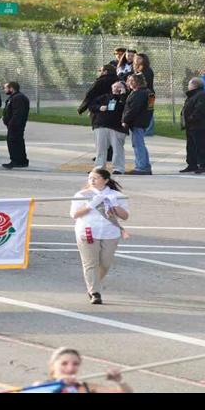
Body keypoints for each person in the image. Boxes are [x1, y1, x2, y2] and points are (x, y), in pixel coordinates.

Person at [69, 168, 131, 305]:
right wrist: (91, 205)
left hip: (110, 233)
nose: (91, 180)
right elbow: (74, 215)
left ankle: (94, 283)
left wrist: (114, 205)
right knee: (90, 263)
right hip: (88, 231)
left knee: (105, 263)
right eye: (90, 178)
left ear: (106, 180)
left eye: (95, 178)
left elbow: (125, 216)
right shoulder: (82, 195)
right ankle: (94, 292)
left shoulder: (116, 195)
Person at [24, 348, 131, 393]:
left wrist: (119, 381)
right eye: (64, 364)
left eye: (75, 364)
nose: (70, 368)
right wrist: (60, 384)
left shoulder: (85, 387)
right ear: (52, 366)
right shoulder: (42, 385)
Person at [79, 62, 121, 162]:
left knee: (100, 135)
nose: (100, 72)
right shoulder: (117, 81)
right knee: (111, 133)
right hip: (113, 109)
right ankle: (110, 154)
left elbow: (90, 95)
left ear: (105, 71)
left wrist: (82, 108)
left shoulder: (100, 81)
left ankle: (101, 154)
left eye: (101, 70)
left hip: (99, 108)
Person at [91, 79, 128, 174]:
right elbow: (92, 105)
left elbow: (124, 108)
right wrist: (99, 108)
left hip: (117, 127)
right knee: (100, 149)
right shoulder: (105, 97)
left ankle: (118, 168)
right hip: (101, 125)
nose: (116, 88)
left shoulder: (125, 98)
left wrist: (123, 95)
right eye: (114, 86)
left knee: (117, 149)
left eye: (119, 87)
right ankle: (99, 168)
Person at [123, 73, 153, 175]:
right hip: (143, 121)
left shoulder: (139, 94)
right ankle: (145, 165)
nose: (130, 83)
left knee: (138, 145)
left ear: (138, 82)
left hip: (137, 122)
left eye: (132, 81)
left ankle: (141, 167)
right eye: (129, 80)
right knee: (140, 144)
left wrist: (125, 120)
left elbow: (133, 109)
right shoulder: (148, 92)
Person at [181, 76, 205, 174]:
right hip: (191, 126)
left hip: (199, 125)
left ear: (194, 85)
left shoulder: (202, 95)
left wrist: (191, 118)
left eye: (189, 84)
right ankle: (192, 164)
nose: (188, 86)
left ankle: (203, 165)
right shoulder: (193, 95)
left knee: (200, 146)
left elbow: (200, 110)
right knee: (191, 146)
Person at [1, 81, 30, 169]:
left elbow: (18, 113)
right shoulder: (14, 97)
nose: (4, 90)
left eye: (6, 88)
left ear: (11, 88)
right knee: (15, 142)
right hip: (13, 125)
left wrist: (11, 123)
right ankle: (20, 161)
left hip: (15, 125)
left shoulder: (18, 98)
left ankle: (17, 161)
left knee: (15, 143)